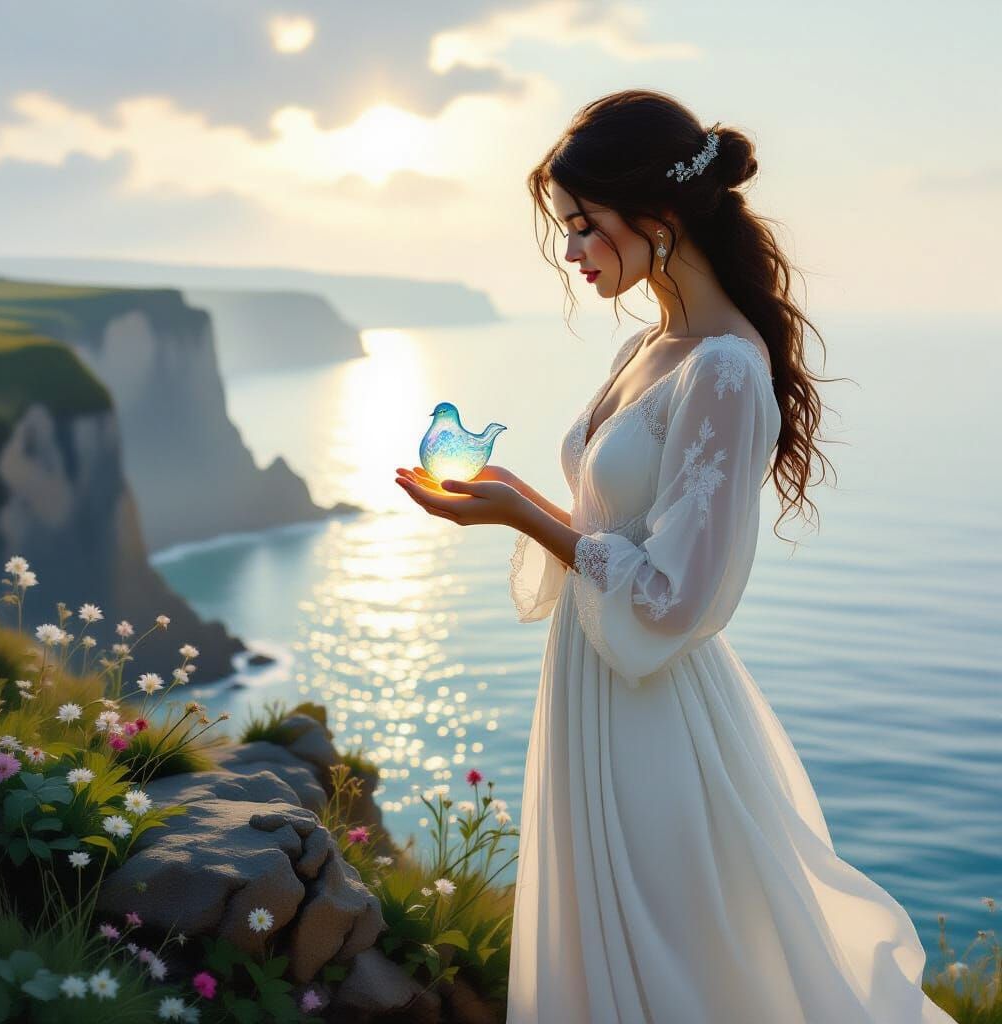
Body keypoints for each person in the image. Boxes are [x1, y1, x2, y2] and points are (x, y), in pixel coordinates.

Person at [394, 89, 957, 1023]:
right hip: (589, 684)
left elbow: (675, 594)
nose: (571, 252)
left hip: (649, 710)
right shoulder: (646, 345)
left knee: (672, 967)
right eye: (568, 229)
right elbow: (608, 529)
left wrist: (524, 523)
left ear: (657, 217)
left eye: (584, 226)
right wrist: (513, 499)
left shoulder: (725, 370)